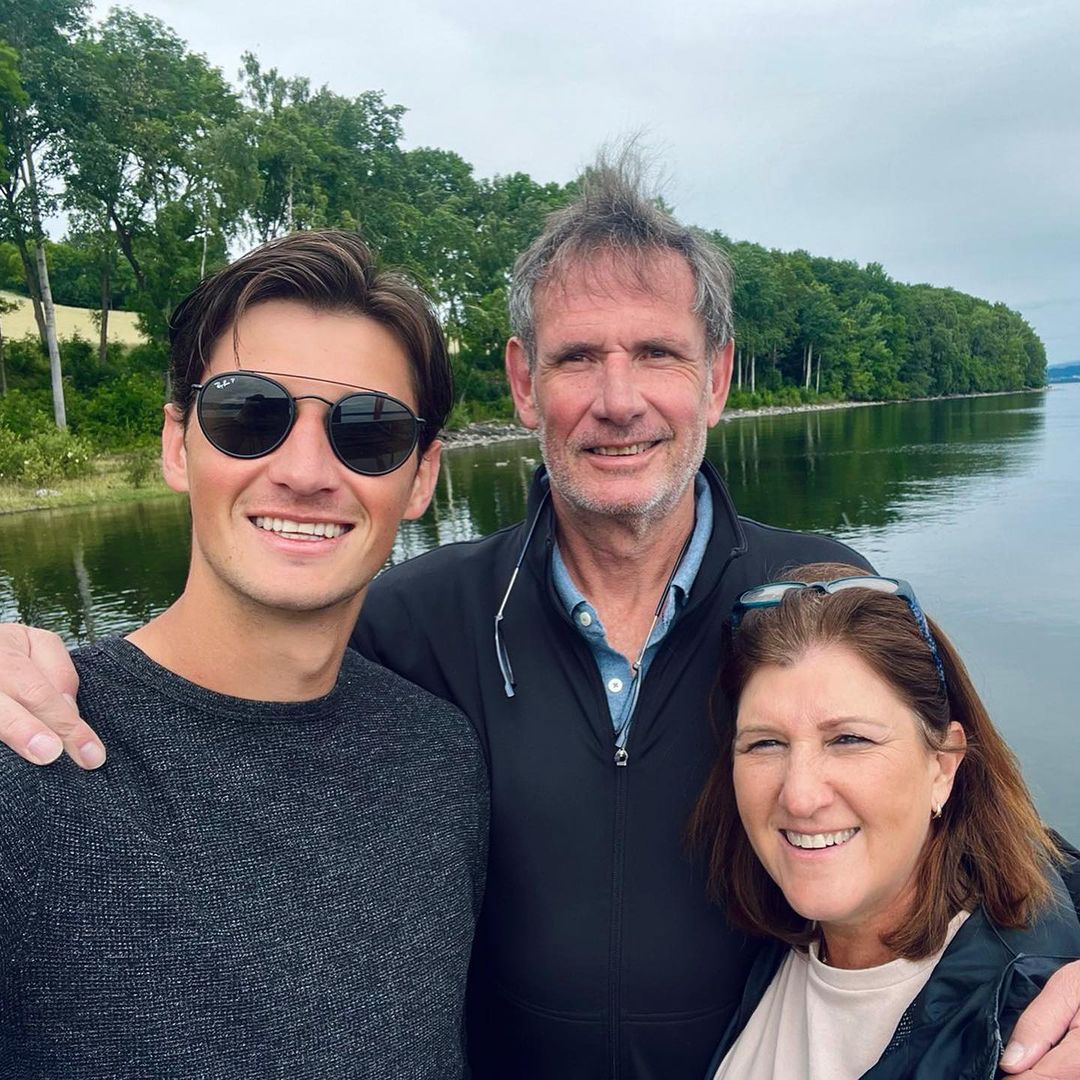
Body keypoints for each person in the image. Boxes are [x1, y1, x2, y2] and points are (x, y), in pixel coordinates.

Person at [1, 155, 1079, 1080]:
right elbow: (238, 676)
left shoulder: (811, 598)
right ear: (522, 383)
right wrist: (40, 660)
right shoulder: (408, 623)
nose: (618, 399)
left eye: (656, 353)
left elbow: (974, 815)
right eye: (575, 358)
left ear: (717, 379)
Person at [0, 231, 487, 1078]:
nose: (305, 470)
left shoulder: (442, 762)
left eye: (366, 432)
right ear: (175, 444)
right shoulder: (28, 752)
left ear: (419, 479)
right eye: (247, 414)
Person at [689, 564, 1080, 1079]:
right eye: (766, 743)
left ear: (943, 766)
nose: (800, 795)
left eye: (849, 739)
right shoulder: (772, 945)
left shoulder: (1032, 1025)